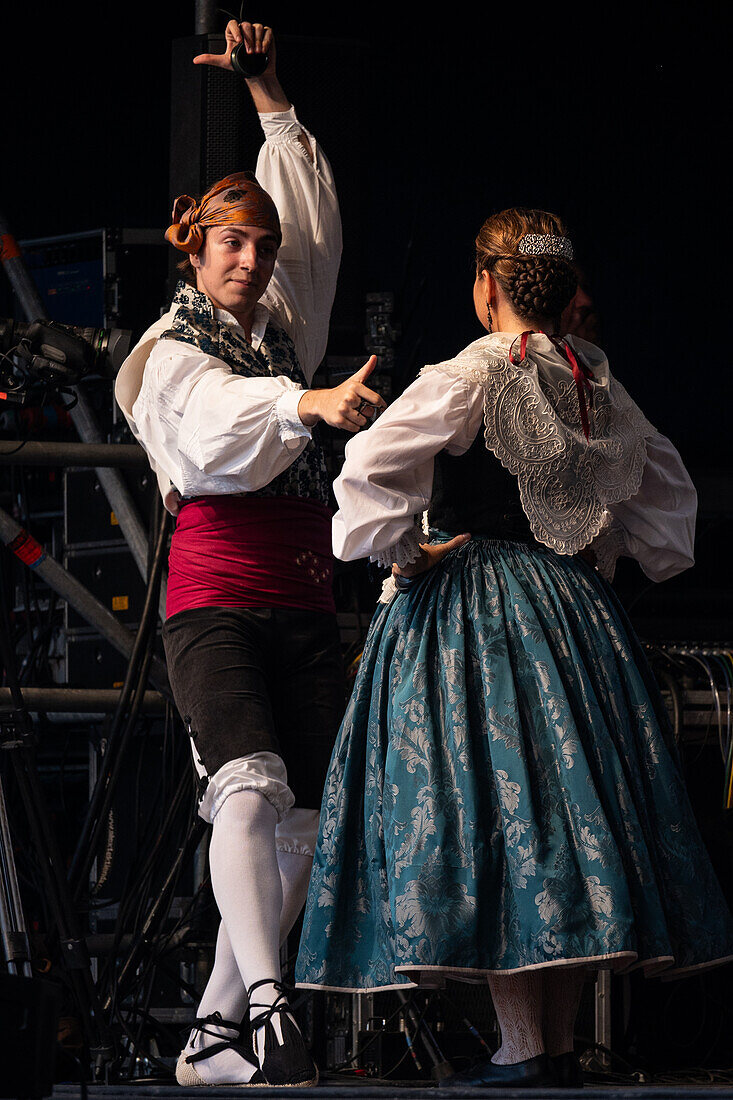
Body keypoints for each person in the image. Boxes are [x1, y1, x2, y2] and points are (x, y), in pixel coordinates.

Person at [295, 207, 733, 1088]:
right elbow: (670, 523)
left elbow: (367, 467)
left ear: (486, 288)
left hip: (478, 606)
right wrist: (594, 548)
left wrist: (400, 552)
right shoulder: (596, 380)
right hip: (575, 613)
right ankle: (550, 1045)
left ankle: (527, 1046)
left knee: (499, 815)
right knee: (562, 820)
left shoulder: (472, 371)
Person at [115, 19, 385, 1088]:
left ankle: (213, 1034)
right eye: (232, 242)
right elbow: (219, 431)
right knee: (249, 788)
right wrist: (307, 400)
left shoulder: (278, 323)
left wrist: (269, 89)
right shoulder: (168, 354)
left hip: (301, 589)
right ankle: (272, 1002)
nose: (254, 258)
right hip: (216, 590)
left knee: (309, 825)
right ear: (193, 246)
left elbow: (311, 223)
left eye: (262, 246)